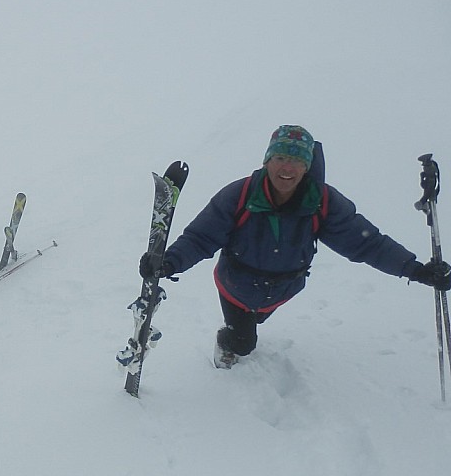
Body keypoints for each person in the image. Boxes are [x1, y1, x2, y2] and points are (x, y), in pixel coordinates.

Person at [140, 125, 451, 368]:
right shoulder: (239, 195)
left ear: (307, 166)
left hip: (284, 289)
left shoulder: (323, 202)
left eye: (296, 160)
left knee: (257, 319)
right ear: (267, 161)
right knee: (244, 341)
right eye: (280, 158)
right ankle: (228, 346)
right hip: (235, 285)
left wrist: (416, 270)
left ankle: (246, 329)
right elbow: (201, 237)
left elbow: (367, 243)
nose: (286, 167)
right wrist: (168, 263)